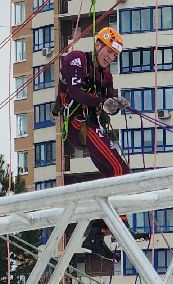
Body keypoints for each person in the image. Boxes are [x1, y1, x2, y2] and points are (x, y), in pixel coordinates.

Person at [56, 25, 132, 261]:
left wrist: (116, 103)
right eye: (107, 51)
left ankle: (97, 233)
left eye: (114, 55)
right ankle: (117, 224)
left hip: (91, 124)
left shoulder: (106, 75)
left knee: (117, 171)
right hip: (77, 122)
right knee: (120, 169)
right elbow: (75, 91)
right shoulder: (77, 59)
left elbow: (107, 102)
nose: (109, 57)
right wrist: (102, 103)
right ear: (97, 44)